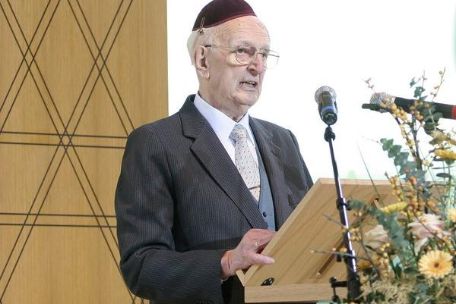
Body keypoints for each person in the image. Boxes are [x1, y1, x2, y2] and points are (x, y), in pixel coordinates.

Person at [115, 0, 313, 303]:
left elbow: (311, 236)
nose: (257, 66)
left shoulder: (283, 141)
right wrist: (227, 262)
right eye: (243, 51)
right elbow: (141, 266)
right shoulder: (156, 143)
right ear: (202, 60)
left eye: (263, 54)